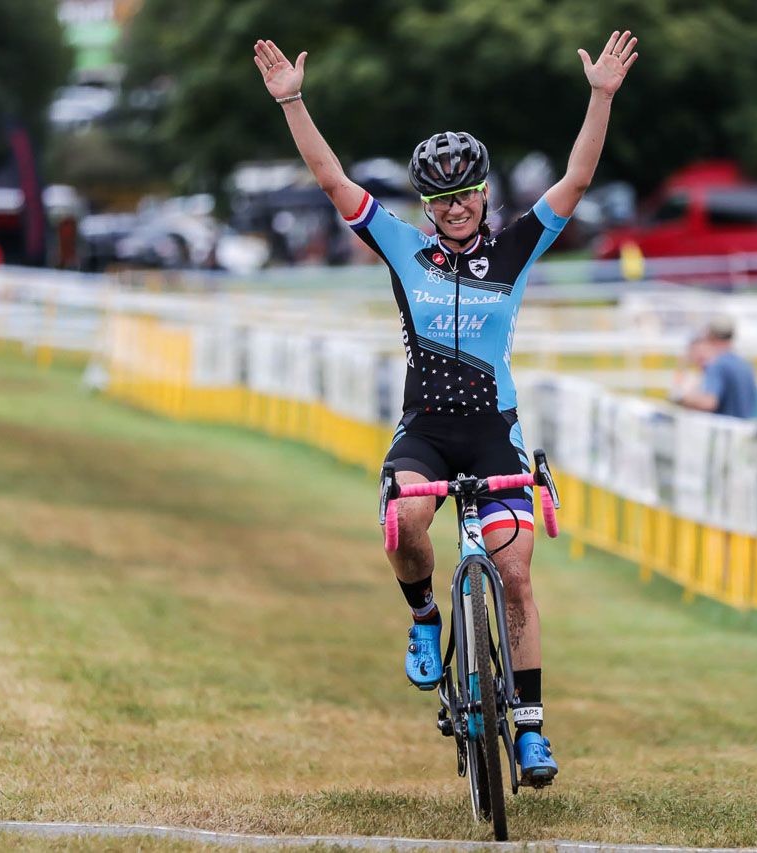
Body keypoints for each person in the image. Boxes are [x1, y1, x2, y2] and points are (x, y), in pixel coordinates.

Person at [254, 30, 639, 787]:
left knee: (517, 573)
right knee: (402, 523)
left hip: (495, 430)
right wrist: (294, 103)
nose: (457, 207)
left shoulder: (515, 249)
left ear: (483, 195)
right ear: (427, 206)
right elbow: (333, 182)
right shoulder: (404, 249)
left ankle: (528, 727)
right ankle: (426, 616)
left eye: (467, 194)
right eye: (442, 198)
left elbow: (579, 177)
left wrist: (600, 96)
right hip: (425, 430)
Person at [669, 316, 757, 418]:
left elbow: (709, 403)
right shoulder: (745, 364)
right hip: (745, 427)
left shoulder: (717, 365)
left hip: (725, 428)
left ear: (710, 336)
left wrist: (680, 397)